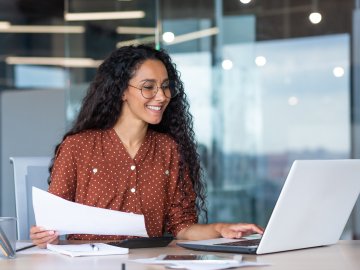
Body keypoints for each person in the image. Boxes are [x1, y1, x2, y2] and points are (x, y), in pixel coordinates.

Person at [30, 44, 263, 248]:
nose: (161, 96)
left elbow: (182, 227)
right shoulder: (77, 147)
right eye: (148, 87)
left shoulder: (169, 149)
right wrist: (45, 235)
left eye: (165, 86)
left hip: (150, 263)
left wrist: (221, 229)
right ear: (121, 91)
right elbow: (53, 223)